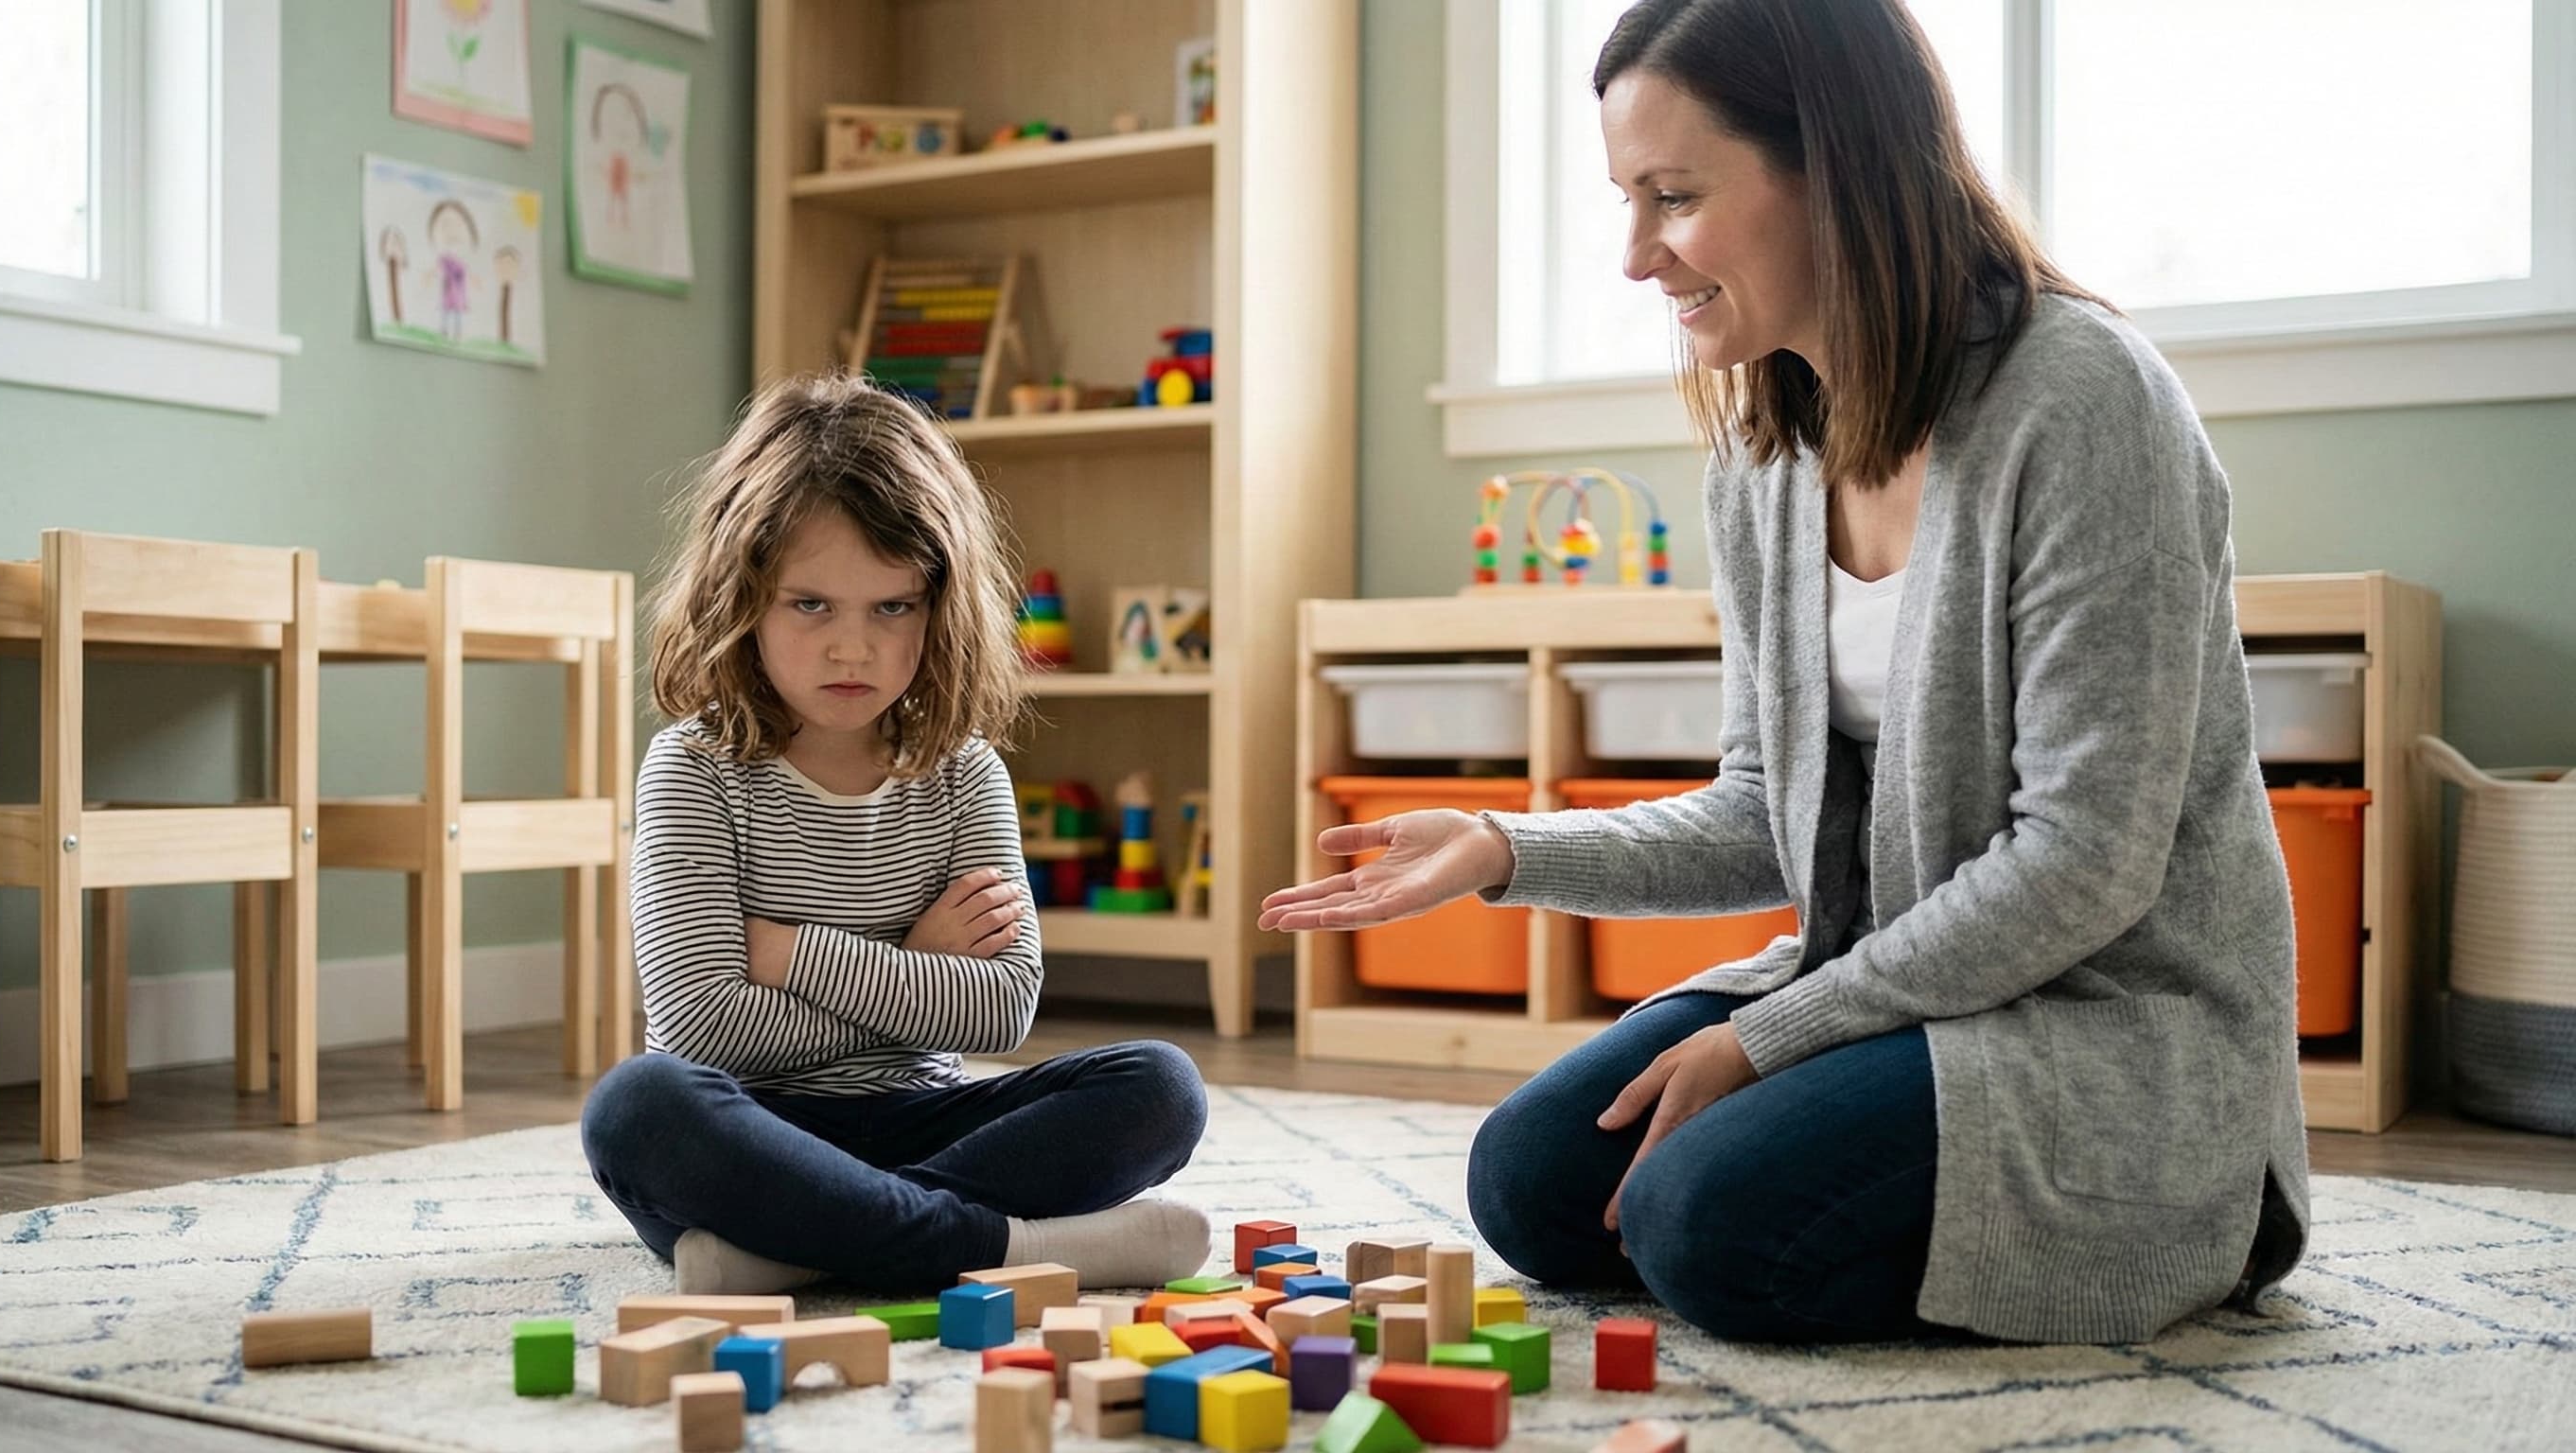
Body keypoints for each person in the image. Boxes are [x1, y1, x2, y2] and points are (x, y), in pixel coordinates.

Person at [1262, 0, 2306, 1345]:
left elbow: (2084, 863)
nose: (1637, 255)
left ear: (1836, 168)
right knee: (1531, 1181)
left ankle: (2178, 1222)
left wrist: (1768, 1038)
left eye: (1675, 197)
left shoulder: (2082, 397)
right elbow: (1768, 814)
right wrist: (1503, 847)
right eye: (1628, 202)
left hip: (2106, 1019)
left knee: (1707, 1226)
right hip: (1896, 980)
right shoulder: (1763, 458)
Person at [584, 374, 1212, 1296]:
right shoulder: (694, 767)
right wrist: (915, 964)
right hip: (754, 1136)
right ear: (741, 598)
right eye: (811, 605)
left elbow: (999, 1009)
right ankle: (1003, 1247)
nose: (854, 648)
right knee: (638, 1107)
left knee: (1159, 1086)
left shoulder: (964, 772)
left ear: (938, 606)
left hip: (925, 1119)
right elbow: (703, 1026)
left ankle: (812, 1249)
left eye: (893, 607)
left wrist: (787, 953)